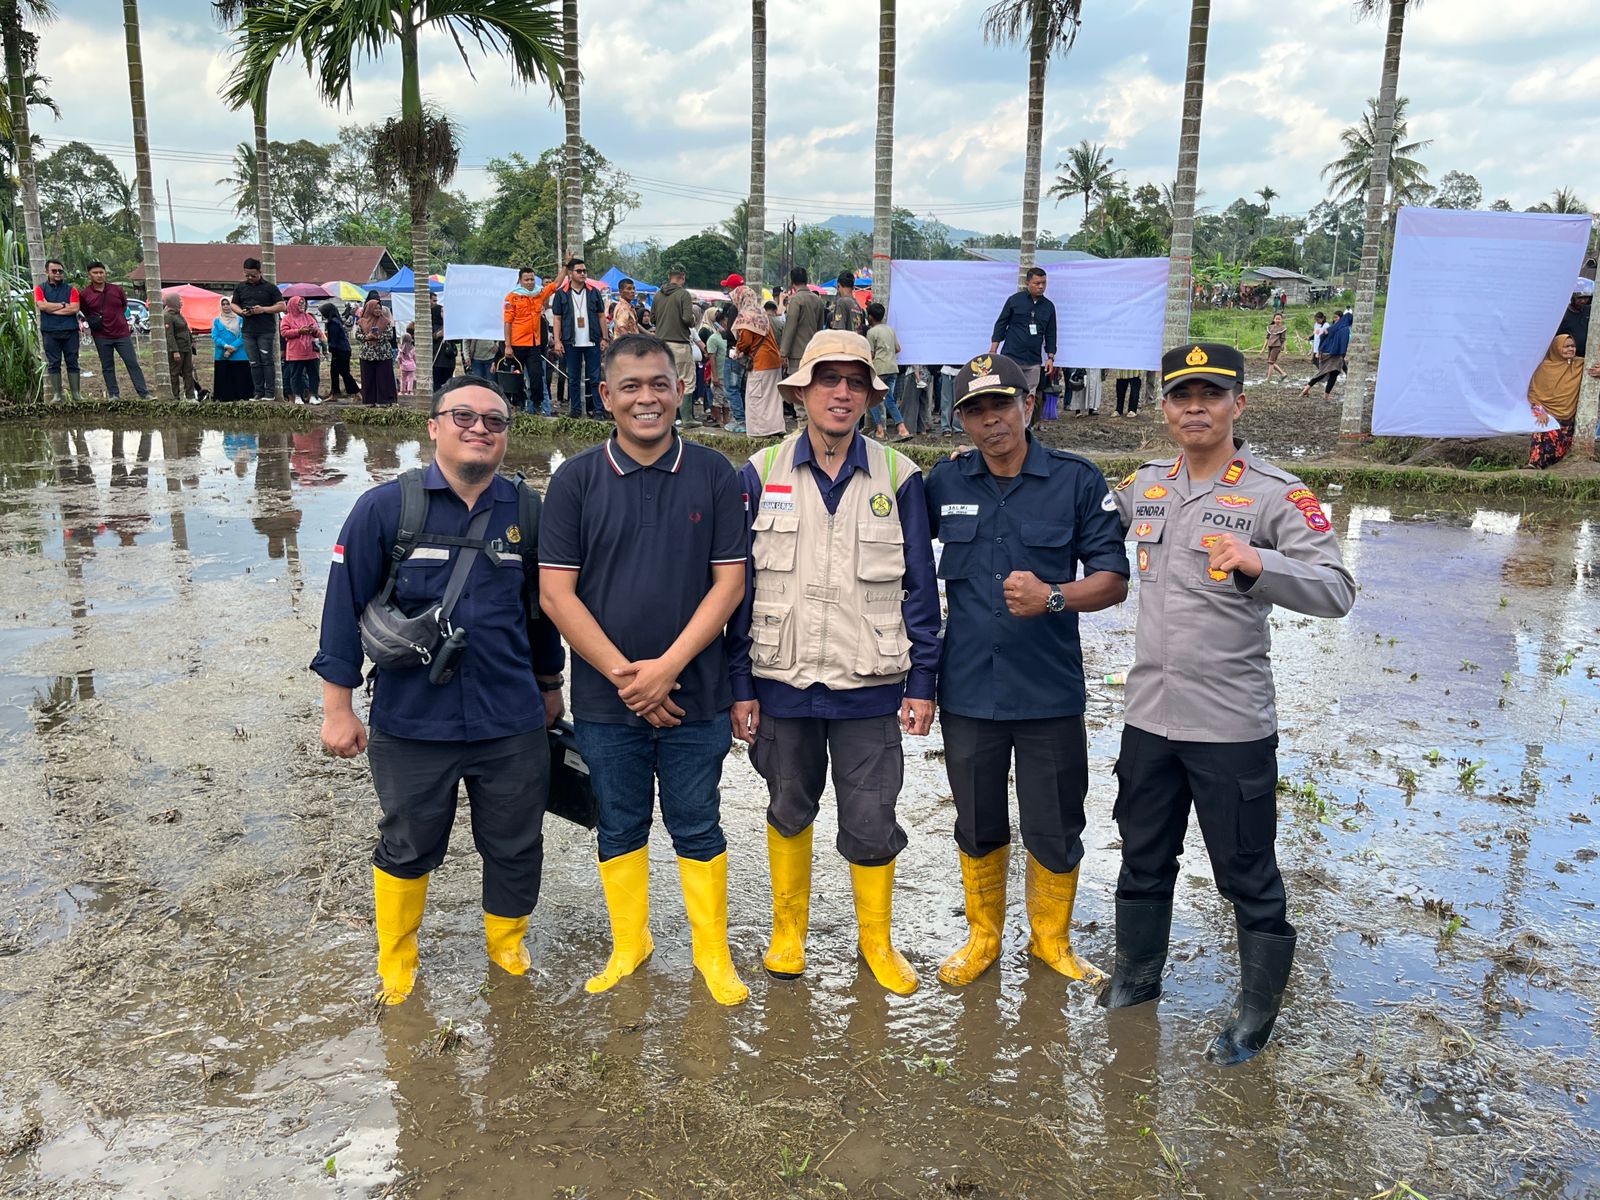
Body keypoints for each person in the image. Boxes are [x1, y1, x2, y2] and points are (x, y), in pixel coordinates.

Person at [1101, 341, 1356, 1066]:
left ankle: (1252, 1014)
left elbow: (1336, 589)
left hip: (1230, 725)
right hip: (1150, 716)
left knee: (1247, 871)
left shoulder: (1277, 493)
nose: (1195, 408)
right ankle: (1137, 977)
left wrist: (1260, 563)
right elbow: (1079, 523)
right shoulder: (1146, 485)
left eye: (1211, 395)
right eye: (1182, 396)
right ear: (1165, 408)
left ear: (1237, 405)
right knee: (1143, 856)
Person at [313, 376, 566, 1004]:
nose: (479, 428)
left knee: (515, 842)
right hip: (411, 722)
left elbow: (542, 613)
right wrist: (338, 709)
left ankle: (507, 945)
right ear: (433, 427)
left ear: (509, 435)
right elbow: (341, 609)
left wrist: (549, 684)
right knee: (409, 839)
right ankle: (397, 959)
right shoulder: (385, 510)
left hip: (510, 720)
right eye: (463, 416)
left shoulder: (528, 513)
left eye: (495, 420)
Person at [537, 333, 750, 1005]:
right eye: (630, 386)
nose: (646, 398)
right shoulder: (575, 480)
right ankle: (631, 944)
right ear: (606, 397)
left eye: (659, 383)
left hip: (698, 695)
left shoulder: (715, 473)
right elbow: (555, 594)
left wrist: (668, 669)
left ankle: (711, 955)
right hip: (606, 702)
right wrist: (631, 678)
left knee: (697, 820)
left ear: (680, 388)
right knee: (620, 822)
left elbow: (729, 585)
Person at [727, 331, 941, 995]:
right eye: (829, 379)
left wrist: (924, 681)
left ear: (871, 397)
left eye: (855, 381)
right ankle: (788, 931)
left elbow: (921, 589)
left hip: (870, 688)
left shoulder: (901, 477)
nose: (842, 392)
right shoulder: (758, 475)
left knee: (873, 821)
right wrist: (740, 686)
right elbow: (735, 590)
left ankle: (875, 942)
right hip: (780, 683)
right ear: (802, 392)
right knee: (789, 806)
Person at [926, 353, 1129, 988]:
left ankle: (1051, 940)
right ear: (963, 422)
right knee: (978, 817)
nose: (992, 422)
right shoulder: (945, 482)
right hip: (967, 691)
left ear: (1028, 402)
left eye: (1002, 405)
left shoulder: (1075, 480)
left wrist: (1056, 596)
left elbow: (1114, 579)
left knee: (1055, 819)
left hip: (1048, 693)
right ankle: (983, 935)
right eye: (976, 411)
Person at [79, 262, 149, 400]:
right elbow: (86, 312)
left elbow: (123, 306)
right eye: (95, 273)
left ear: (105, 273)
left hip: (122, 334)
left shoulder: (116, 290)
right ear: (89, 275)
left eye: (101, 272)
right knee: (107, 366)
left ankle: (144, 393)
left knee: (132, 363)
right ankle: (114, 394)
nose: (99, 275)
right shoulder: (85, 294)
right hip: (101, 336)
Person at [551, 258, 610, 420]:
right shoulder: (562, 293)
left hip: (592, 341)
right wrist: (557, 341)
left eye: (584, 271)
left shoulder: (593, 292)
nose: (583, 274)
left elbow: (601, 316)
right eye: (579, 271)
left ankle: (599, 411)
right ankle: (575, 410)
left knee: (595, 377)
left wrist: (604, 338)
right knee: (574, 377)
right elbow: (557, 319)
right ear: (570, 273)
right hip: (571, 341)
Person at [988, 266, 1057, 399]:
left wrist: (1050, 357)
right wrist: (993, 350)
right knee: (1009, 394)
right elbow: (1001, 324)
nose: (1041, 286)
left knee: (1029, 396)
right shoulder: (1014, 300)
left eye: (1044, 283)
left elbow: (1051, 333)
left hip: (1033, 360)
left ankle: (1027, 420)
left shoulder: (1049, 306)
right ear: (1028, 283)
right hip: (1011, 357)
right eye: (1037, 283)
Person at [503, 265, 562, 414]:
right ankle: (518, 406)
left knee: (536, 378)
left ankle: (536, 406)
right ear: (520, 281)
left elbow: (555, 285)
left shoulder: (539, 294)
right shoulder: (512, 297)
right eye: (526, 279)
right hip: (516, 345)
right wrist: (508, 346)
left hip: (534, 345)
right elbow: (508, 322)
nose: (530, 282)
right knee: (516, 378)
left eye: (532, 279)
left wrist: (567, 267)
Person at [730, 283, 783, 437]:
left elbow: (745, 341)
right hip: (774, 359)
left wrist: (738, 351)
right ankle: (775, 428)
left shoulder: (746, 316)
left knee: (756, 397)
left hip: (761, 362)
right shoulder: (761, 312)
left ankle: (760, 431)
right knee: (772, 397)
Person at [231, 257, 287, 401]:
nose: (250, 278)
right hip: (248, 330)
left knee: (266, 361)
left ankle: (269, 393)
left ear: (259, 272)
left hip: (265, 330)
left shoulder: (270, 287)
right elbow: (233, 304)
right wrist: (241, 312)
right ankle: (258, 392)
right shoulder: (240, 287)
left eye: (253, 275)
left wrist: (263, 309)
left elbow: (282, 306)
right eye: (247, 275)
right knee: (253, 362)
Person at [649, 263, 697, 426]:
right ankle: (687, 419)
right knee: (686, 380)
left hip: (660, 345)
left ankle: (663, 416)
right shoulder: (683, 294)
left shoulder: (657, 295)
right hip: (679, 344)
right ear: (682, 277)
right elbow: (687, 319)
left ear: (670, 276)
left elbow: (653, 319)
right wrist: (693, 320)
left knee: (663, 381)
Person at [1526, 334, 1583, 470]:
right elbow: (1534, 395)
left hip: (1567, 418)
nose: (1570, 349)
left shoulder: (1579, 364)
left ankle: (1549, 467)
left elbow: (1595, 366)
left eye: (1573, 346)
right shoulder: (1544, 367)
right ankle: (1534, 464)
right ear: (1556, 348)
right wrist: (1541, 412)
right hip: (1545, 413)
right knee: (1541, 431)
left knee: (1561, 445)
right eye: (1566, 346)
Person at [33, 258, 81, 402]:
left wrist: (51, 308)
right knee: (54, 363)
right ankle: (57, 395)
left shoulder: (71, 289)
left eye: (60, 271)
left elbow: (75, 308)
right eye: (54, 271)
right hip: (50, 332)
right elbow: (42, 306)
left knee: (72, 361)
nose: (58, 273)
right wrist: (62, 305)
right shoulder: (40, 289)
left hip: (70, 331)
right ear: (47, 272)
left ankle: (76, 394)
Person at [864, 301, 910, 441]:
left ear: (870, 317)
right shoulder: (890, 330)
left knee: (871, 399)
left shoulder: (871, 332)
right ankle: (902, 429)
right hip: (892, 368)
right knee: (889, 399)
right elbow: (898, 349)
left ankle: (879, 430)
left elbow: (870, 354)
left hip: (880, 369)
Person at [778, 268, 825, 377]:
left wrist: (783, 353)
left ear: (792, 282)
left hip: (797, 355)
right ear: (806, 279)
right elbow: (820, 329)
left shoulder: (796, 300)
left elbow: (790, 327)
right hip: (813, 352)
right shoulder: (818, 300)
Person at [355, 297, 398, 407]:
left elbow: (390, 335)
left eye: (379, 308)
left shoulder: (386, 321)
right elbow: (357, 335)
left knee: (384, 378)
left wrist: (377, 337)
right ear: (369, 309)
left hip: (383, 354)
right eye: (375, 309)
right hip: (367, 354)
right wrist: (366, 337)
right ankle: (370, 401)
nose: (378, 311)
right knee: (368, 378)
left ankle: (385, 401)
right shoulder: (361, 322)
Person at [281, 296, 323, 405]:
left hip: (311, 351)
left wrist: (313, 331)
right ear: (293, 305)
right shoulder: (287, 318)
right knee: (296, 375)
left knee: (314, 374)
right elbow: (284, 332)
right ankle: (297, 396)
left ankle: (313, 395)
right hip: (295, 352)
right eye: (299, 304)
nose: (302, 306)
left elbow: (318, 331)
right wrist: (299, 331)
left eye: (303, 304)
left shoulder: (309, 317)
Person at [211, 298, 253, 401]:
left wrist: (232, 348)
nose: (225, 306)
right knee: (223, 379)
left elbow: (243, 336)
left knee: (240, 379)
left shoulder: (240, 319)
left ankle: (241, 400)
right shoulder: (217, 321)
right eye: (223, 304)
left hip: (239, 355)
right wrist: (225, 346)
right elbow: (215, 336)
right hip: (222, 355)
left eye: (228, 304)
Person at [1301, 310, 1349, 397]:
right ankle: (1324, 395)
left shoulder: (1332, 327)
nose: (1335, 319)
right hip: (1332, 354)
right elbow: (1322, 337)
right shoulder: (1338, 328)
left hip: (1333, 354)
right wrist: (1319, 350)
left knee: (1327, 373)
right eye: (1334, 317)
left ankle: (1307, 389)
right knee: (1330, 374)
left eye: (1336, 317)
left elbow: (1324, 338)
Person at [161, 291, 198, 401]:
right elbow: (170, 335)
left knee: (188, 372)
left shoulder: (178, 314)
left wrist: (192, 341)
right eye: (179, 300)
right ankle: (175, 397)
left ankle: (190, 396)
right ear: (173, 302)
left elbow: (186, 330)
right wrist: (175, 351)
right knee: (175, 373)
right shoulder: (167, 316)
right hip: (177, 349)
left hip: (186, 348)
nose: (181, 302)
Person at [320, 302, 359, 401]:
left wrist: (331, 350)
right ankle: (336, 392)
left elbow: (334, 339)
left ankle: (356, 392)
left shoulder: (333, 323)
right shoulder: (337, 321)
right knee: (335, 372)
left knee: (344, 372)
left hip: (339, 351)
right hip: (343, 350)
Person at [1557, 278, 1593, 357]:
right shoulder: (1562, 315)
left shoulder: (1591, 311)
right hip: (1572, 356)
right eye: (1579, 298)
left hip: (1591, 354)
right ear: (1572, 298)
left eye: (1586, 298)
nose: (1583, 301)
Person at [704, 323, 730, 429]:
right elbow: (712, 357)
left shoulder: (727, 337)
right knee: (718, 399)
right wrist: (714, 375)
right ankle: (718, 420)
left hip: (727, 373)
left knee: (726, 400)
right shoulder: (713, 339)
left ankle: (726, 420)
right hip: (719, 374)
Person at [1264, 312, 1289, 385]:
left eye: (1279, 319)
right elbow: (1267, 338)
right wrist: (1263, 348)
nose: (1278, 320)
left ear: (1281, 320)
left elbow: (1283, 339)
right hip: (1270, 345)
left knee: (1271, 363)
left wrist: (1284, 349)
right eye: (1276, 319)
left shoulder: (1283, 328)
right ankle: (1283, 373)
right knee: (1270, 362)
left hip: (1277, 346)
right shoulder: (1270, 327)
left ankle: (1268, 380)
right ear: (1273, 319)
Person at [397, 323, 418, 396]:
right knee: (410, 379)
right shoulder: (412, 349)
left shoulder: (401, 349)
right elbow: (414, 357)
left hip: (403, 366)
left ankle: (402, 391)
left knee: (403, 379)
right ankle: (410, 391)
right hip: (411, 366)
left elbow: (399, 357)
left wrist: (400, 363)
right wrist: (415, 363)